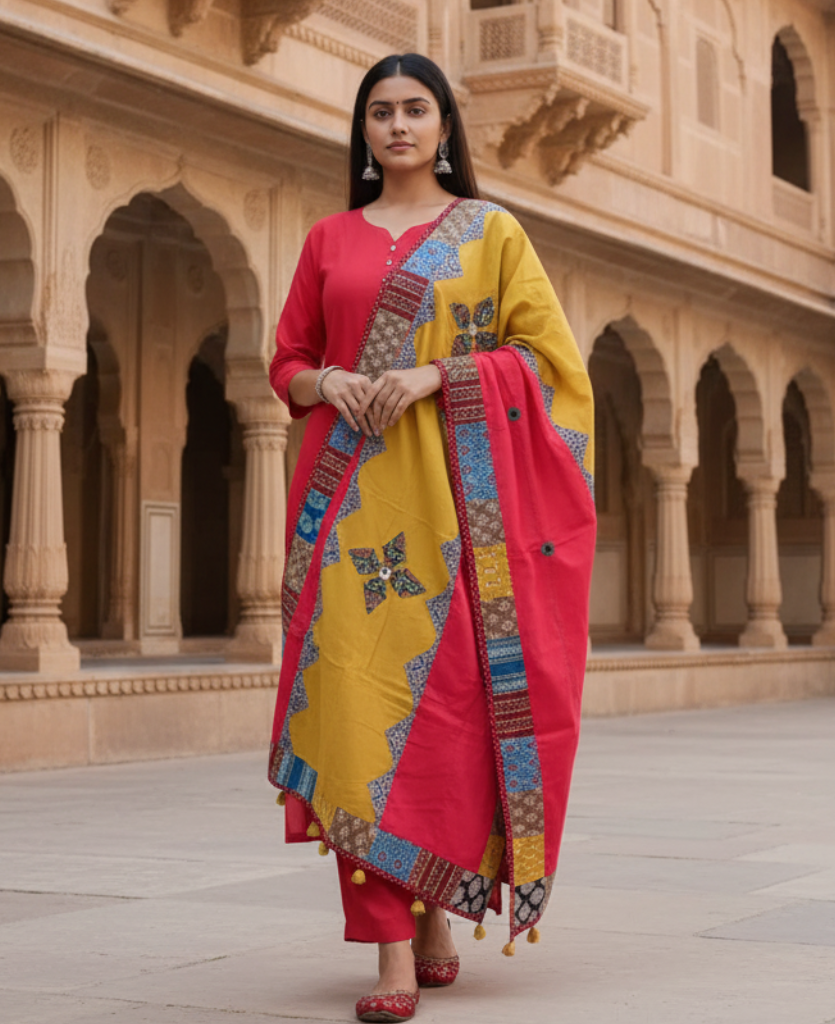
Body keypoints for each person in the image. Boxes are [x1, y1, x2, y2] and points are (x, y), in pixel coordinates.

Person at [268, 52, 596, 1024]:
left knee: (443, 721)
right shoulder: (330, 238)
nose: (398, 126)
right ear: (363, 132)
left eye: (416, 109)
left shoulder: (493, 233)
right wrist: (328, 382)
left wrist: (435, 377)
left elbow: (548, 366)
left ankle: (438, 914)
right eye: (381, 112)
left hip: (460, 521)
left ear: (446, 124)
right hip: (345, 510)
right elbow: (286, 358)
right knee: (358, 717)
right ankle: (391, 958)